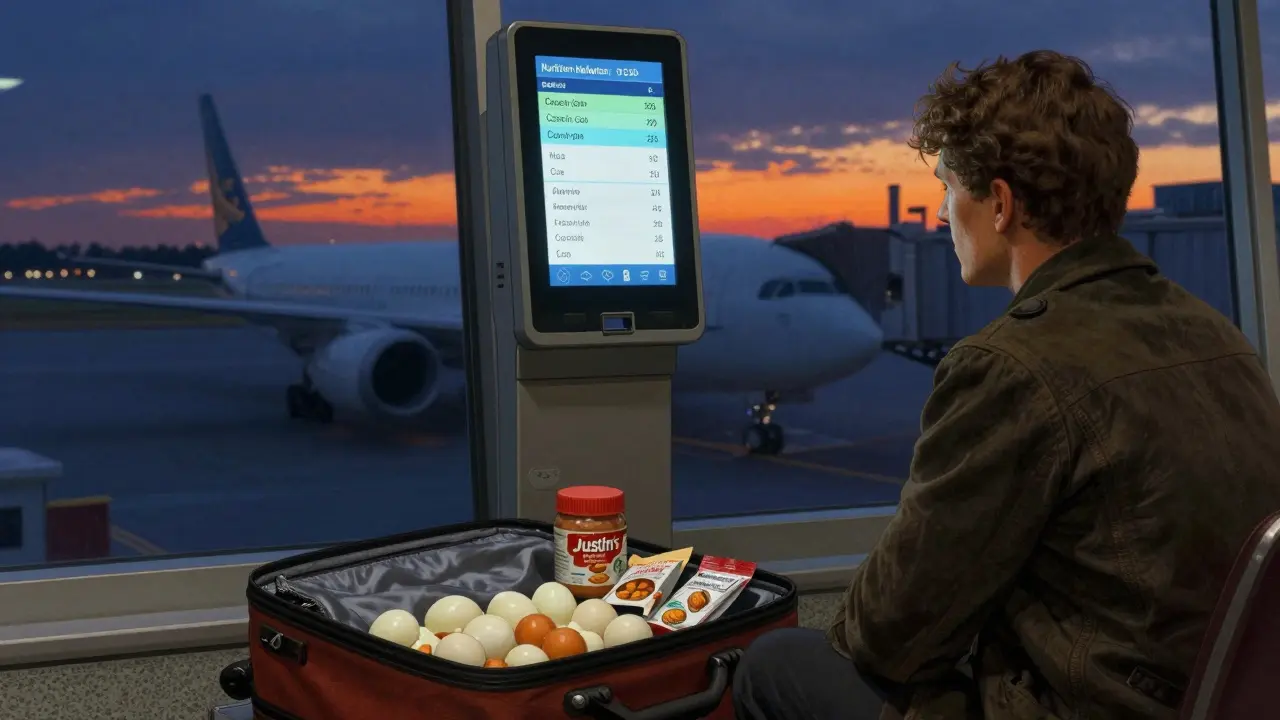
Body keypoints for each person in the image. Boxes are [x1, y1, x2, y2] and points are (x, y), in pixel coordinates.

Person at [732, 49, 1280, 720]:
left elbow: (885, 632)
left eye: (946, 187)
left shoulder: (1011, 365)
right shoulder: (1218, 336)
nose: (938, 213)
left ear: (998, 203)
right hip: (1207, 700)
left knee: (777, 665)